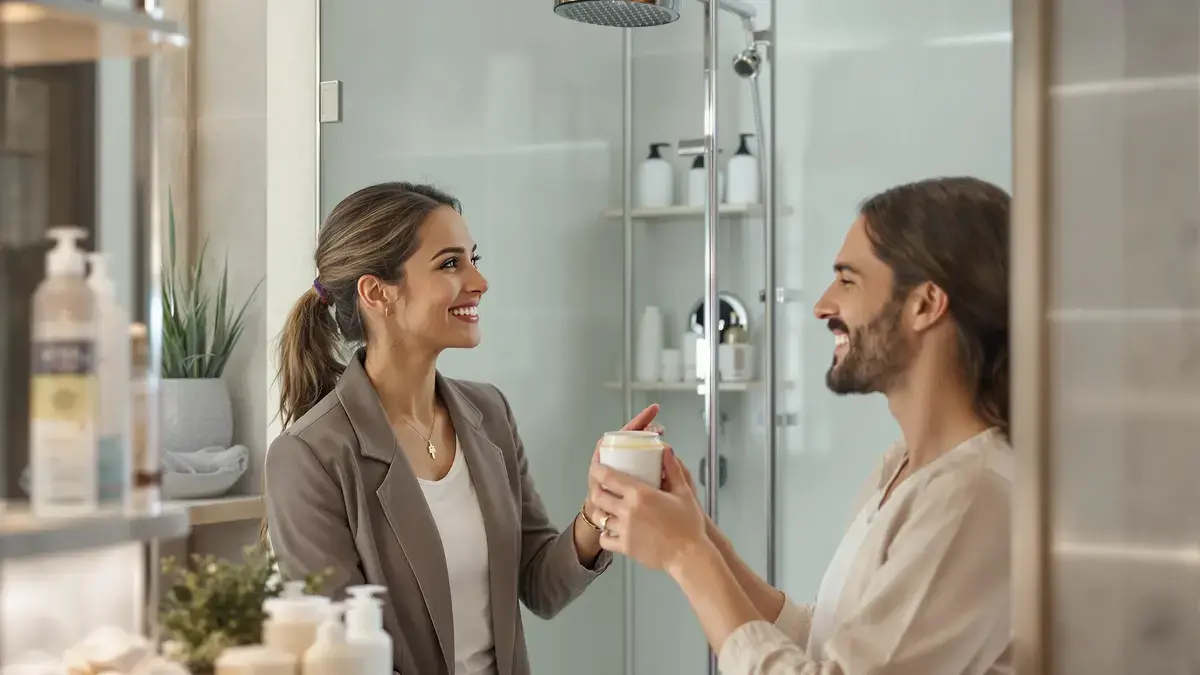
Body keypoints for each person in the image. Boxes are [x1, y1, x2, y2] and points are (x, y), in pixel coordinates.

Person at [589, 176, 1013, 675]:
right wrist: (697, 531)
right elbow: (832, 642)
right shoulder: (902, 467)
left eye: (848, 280)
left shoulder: (971, 495)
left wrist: (686, 554)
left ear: (924, 304)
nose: (822, 305)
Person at [263, 181, 661, 675]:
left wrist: (597, 514)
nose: (480, 281)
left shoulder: (488, 413)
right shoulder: (309, 456)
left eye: (473, 258)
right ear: (377, 293)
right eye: (451, 264)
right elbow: (343, 659)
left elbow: (539, 584)